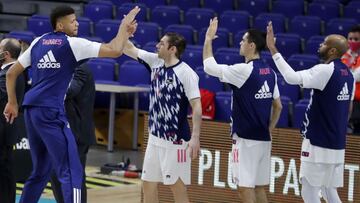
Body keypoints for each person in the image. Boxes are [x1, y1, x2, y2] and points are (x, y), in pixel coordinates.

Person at [3, 5, 140, 203]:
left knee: (40, 171)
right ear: (60, 25)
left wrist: (12, 103)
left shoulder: (38, 41)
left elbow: (11, 73)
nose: (77, 23)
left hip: (31, 111)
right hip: (51, 111)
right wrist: (124, 28)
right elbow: (114, 50)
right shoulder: (72, 44)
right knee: (71, 171)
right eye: (72, 21)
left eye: (77, 20)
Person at [266, 21, 354, 203]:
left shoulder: (325, 70)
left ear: (332, 51)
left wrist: (273, 49)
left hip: (318, 142)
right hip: (337, 143)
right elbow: (348, 109)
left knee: (309, 190)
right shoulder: (350, 75)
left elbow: (291, 78)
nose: (320, 45)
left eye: (324, 44)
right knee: (330, 191)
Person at [203, 17, 282, 203]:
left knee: (244, 189)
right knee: (259, 188)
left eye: (243, 40)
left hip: (246, 140)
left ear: (251, 46)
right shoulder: (270, 72)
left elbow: (208, 66)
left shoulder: (243, 70)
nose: (240, 43)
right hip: (263, 139)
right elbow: (278, 106)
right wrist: (269, 129)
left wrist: (208, 39)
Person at [123, 32, 202, 203]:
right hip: (154, 137)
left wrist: (195, 138)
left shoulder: (186, 73)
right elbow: (129, 48)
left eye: (161, 44)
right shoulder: (155, 62)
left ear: (172, 49)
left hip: (176, 141)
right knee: (148, 183)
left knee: (177, 187)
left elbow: (197, 107)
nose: (157, 46)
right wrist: (125, 30)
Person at [50, 63, 96, 203]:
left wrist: (46, 86)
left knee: (74, 178)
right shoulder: (64, 67)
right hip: (62, 131)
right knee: (56, 175)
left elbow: (70, 90)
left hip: (77, 133)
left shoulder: (80, 68)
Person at [0, 38, 25, 203]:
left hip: (3, 129)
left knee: (4, 171)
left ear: (6, 54)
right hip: (6, 129)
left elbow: (2, 96)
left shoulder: (11, 73)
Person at [342, 25, 360, 133]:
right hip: (344, 99)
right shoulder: (342, 55)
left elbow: (355, 76)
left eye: (356, 39)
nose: (352, 41)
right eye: (350, 39)